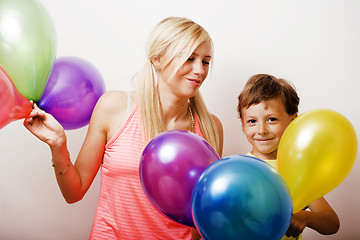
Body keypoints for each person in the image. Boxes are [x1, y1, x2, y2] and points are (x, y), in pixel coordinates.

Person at [24, 16, 223, 240]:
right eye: (189, 58)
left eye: (206, 61)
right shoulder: (115, 108)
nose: (199, 70)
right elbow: (74, 192)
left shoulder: (210, 128)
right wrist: (58, 145)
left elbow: (201, 217)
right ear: (156, 59)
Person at [237, 74, 340, 239]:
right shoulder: (237, 169)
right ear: (242, 123)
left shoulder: (297, 170)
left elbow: (332, 222)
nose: (261, 130)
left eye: (272, 119)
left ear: (293, 121)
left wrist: (305, 217)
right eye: (252, 121)